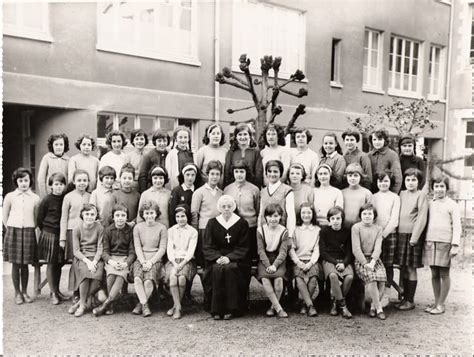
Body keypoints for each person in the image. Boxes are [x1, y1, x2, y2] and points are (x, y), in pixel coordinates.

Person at [202, 195, 251, 320]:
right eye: (223, 206)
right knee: (217, 269)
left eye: (229, 206)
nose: (226, 209)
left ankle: (232, 309)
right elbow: (208, 246)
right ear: (219, 208)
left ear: (233, 207)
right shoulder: (212, 223)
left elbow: (243, 246)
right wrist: (217, 257)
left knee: (230, 269)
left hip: (236, 259)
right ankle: (216, 309)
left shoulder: (241, 223)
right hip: (216, 258)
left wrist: (230, 257)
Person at [423, 177, 461, 315]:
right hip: (430, 241)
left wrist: (455, 244)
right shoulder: (429, 203)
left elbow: (457, 226)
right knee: (434, 273)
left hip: (445, 242)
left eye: (442, 186)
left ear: (446, 188)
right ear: (433, 188)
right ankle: (436, 301)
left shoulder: (452, 205)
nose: (439, 189)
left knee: (444, 273)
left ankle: (441, 304)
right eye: (436, 186)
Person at [3, 168, 41, 304]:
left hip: (29, 232)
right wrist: (11, 228)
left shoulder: (35, 198)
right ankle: (17, 293)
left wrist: (31, 227)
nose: (24, 183)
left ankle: (25, 291)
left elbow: (37, 217)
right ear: (16, 182)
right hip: (14, 231)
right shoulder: (10, 197)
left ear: (30, 181)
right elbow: (4, 215)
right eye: (21, 181)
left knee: (25, 265)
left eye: (26, 180)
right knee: (16, 264)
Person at [93, 204, 136, 317]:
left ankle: (106, 304)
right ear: (113, 217)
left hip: (125, 259)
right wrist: (111, 262)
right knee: (111, 274)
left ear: (127, 217)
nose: (120, 218)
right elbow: (105, 251)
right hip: (112, 258)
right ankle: (110, 305)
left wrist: (126, 263)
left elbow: (132, 252)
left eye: (123, 215)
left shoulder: (130, 231)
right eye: (117, 215)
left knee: (121, 275)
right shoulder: (108, 230)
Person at [397, 168, 428, 311]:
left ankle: (410, 300)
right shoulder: (402, 194)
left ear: (419, 182)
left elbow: (422, 217)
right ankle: (404, 297)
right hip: (401, 235)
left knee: (411, 268)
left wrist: (415, 238)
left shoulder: (421, 195)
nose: (410, 182)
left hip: (412, 236)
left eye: (413, 180)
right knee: (403, 267)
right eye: (408, 179)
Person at [131, 201, 168, 317]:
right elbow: (137, 247)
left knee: (148, 281)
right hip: (141, 259)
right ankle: (145, 305)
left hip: (155, 260)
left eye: (152, 213)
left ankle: (140, 304)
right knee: (137, 278)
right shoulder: (138, 228)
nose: (149, 216)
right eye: (146, 213)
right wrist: (142, 261)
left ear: (156, 214)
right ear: (143, 214)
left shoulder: (162, 228)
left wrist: (151, 262)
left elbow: (162, 249)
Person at [67, 204, 104, 317]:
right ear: (82, 215)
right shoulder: (77, 229)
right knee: (85, 273)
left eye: (92, 214)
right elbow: (76, 251)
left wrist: (94, 262)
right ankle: (83, 304)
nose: (89, 217)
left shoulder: (99, 228)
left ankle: (79, 303)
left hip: (96, 258)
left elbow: (100, 248)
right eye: (87, 214)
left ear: (96, 215)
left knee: (97, 274)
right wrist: (88, 262)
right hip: (82, 258)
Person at [351, 203, 387, 320]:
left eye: (370, 214)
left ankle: (373, 307)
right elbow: (356, 249)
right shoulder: (356, 228)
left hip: (374, 259)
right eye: (364, 214)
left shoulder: (378, 228)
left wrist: (372, 262)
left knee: (382, 278)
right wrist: (365, 263)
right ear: (360, 215)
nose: (367, 216)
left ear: (374, 215)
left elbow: (378, 247)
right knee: (372, 278)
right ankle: (379, 309)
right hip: (361, 261)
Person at [37, 172, 67, 305]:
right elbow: (39, 219)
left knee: (59, 263)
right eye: (56, 184)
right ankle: (52, 292)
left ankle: (57, 289)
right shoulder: (46, 200)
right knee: (51, 263)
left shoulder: (65, 198)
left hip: (60, 234)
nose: (59, 187)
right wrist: (46, 230)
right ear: (51, 186)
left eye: (61, 184)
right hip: (49, 233)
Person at [257, 203, 290, 318]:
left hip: (278, 259)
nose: (273, 219)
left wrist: (275, 265)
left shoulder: (284, 231)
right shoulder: (260, 230)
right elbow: (260, 251)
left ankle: (272, 307)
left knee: (279, 280)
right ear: (266, 217)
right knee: (265, 279)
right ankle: (279, 309)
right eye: (270, 216)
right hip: (265, 258)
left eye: (276, 216)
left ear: (280, 217)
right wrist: (267, 265)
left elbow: (283, 252)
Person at [319, 206, 353, 318]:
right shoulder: (324, 232)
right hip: (329, 260)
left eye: (338, 218)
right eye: (332, 218)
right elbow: (323, 253)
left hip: (343, 260)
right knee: (333, 275)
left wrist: (344, 263)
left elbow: (349, 252)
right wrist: (334, 262)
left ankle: (335, 301)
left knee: (349, 277)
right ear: (329, 220)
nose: (335, 221)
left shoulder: (347, 232)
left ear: (342, 219)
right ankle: (343, 306)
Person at [372, 170, 401, 304]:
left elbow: (394, 220)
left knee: (388, 265)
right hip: (374, 235)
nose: (383, 184)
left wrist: (383, 234)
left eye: (386, 181)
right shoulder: (373, 197)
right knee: (376, 263)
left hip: (389, 235)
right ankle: (376, 294)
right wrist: (376, 234)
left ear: (390, 182)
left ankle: (386, 295)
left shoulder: (395, 197)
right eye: (380, 181)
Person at [165, 204, 198, 319]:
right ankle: (178, 306)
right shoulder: (171, 231)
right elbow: (169, 249)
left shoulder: (193, 232)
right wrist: (175, 263)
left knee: (182, 277)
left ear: (187, 216)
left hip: (187, 261)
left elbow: (190, 251)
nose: (180, 219)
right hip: (173, 260)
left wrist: (182, 263)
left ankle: (175, 306)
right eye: (178, 216)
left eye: (183, 216)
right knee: (174, 277)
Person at [223, 160, 260, 262]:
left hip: (250, 227)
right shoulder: (227, 189)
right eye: (237, 171)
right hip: (234, 227)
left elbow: (257, 209)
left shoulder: (254, 189)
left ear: (246, 173)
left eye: (242, 171)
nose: (239, 174)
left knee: (249, 256)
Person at [289, 202, 321, 317]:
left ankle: (304, 304)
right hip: (298, 259)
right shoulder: (295, 229)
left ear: (313, 214)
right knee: (299, 277)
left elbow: (317, 249)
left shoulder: (317, 230)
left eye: (309, 212)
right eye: (303, 212)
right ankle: (310, 305)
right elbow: (291, 248)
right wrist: (298, 262)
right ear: (300, 214)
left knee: (313, 278)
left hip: (312, 260)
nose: (306, 215)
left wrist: (311, 262)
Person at [191, 160, 224, 267]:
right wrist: (195, 231)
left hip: (218, 230)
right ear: (207, 175)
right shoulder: (199, 192)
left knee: (216, 260)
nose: (215, 177)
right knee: (205, 260)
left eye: (217, 174)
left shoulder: (221, 193)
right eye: (212, 174)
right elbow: (194, 214)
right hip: (204, 230)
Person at [258, 160, 296, 238]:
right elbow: (261, 214)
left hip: (281, 233)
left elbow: (291, 215)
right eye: (269, 171)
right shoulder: (263, 191)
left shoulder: (287, 190)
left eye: (275, 171)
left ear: (280, 173)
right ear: (266, 173)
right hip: (265, 233)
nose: (272, 174)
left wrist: (289, 235)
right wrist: (259, 231)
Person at [60, 170, 91, 264]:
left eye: (85, 180)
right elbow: (64, 219)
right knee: (74, 261)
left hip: (87, 233)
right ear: (74, 181)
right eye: (79, 180)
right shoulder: (68, 197)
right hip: (72, 232)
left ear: (88, 182)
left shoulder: (90, 196)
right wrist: (62, 239)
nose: (82, 183)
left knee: (85, 260)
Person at [224, 123, 263, 188]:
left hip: (251, 188)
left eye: (245, 134)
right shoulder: (231, 152)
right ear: (236, 137)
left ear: (249, 136)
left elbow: (258, 174)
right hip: (234, 188)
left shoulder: (256, 152)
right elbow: (227, 173)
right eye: (240, 134)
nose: (242, 137)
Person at [368, 129, 402, 194]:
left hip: (387, 192)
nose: (377, 142)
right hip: (372, 193)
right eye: (374, 140)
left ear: (385, 140)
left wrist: (392, 195)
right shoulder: (369, 155)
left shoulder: (392, 155)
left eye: (380, 139)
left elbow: (397, 178)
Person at [37, 133, 70, 198]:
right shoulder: (47, 158)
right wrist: (44, 196)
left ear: (64, 145)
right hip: (50, 195)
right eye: (56, 145)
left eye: (61, 145)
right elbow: (41, 179)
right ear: (52, 146)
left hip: (64, 195)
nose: (59, 147)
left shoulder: (68, 160)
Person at [194, 123, 227, 187]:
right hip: (205, 187)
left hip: (221, 188)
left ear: (221, 135)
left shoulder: (225, 152)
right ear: (208, 135)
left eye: (218, 133)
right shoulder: (202, 151)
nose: (216, 136)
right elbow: (197, 171)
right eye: (213, 133)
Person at [342, 163, 372, 229]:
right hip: (343, 228)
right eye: (350, 175)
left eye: (356, 175)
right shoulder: (342, 192)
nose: (353, 178)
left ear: (361, 177)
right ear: (346, 176)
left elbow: (370, 213)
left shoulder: (366, 193)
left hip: (360, 228)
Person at [138, 129, 170, 193]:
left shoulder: (169, 155)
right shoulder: (148, 156)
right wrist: (144, 192)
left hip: (165, 190)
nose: (162, 143)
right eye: (159, 141)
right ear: (155, 142)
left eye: (164, 141)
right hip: (152, 190)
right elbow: (142, 177)